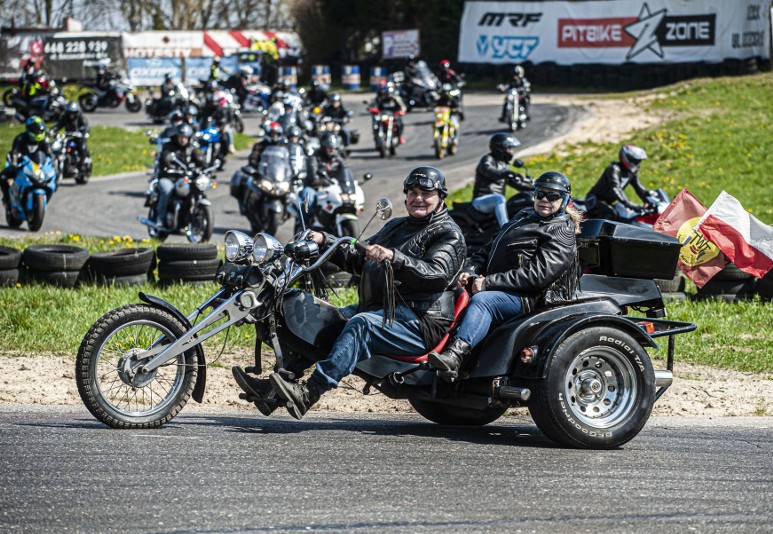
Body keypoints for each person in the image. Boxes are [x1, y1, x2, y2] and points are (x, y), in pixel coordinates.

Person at [231, 165, 467, 418]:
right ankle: (275, 388)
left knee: (362, 325)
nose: (418, 198)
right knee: (327, 320)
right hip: (385, 309)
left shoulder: (448, 233)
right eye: (412, 192)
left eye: (426, 193)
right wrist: (324, 241)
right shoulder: (397, 227)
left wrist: (395, 258)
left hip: (421, 321)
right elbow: (358, 257)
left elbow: (435, 275)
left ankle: (309, 393)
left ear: (441, 196)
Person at [429, 171, 582, 379]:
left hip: (530, 297)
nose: (545, 200)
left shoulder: (561, 231)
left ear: (565, 200)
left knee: (484, 301)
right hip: (502, 288)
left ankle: (456, 356)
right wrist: (469, 270)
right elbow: (489, 247)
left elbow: (538, 276)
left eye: (553, 196)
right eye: (540, 194)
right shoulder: (524, 216)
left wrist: (488, 283)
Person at [470, 133, 534, 227]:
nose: (511, 152)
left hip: (495, 201)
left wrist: (536, 188)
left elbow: (517, 184)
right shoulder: (487, 159)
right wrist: (506, 174)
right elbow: (489, 171)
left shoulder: (504, 165)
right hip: (481, 200)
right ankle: (505, 228)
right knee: (499, 198)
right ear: (500, 148)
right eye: (509, 148)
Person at [154, 123, 206, 229]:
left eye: (185, 137)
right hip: (168, 177)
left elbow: (199, 161)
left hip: (183, 178)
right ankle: (160, 218)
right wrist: (169, 166)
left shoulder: (191, 148)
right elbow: (165, 159)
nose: (183, 140)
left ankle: (187, 217)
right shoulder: (168, 146)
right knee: (167, 190)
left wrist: (204, 166)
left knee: (193, 189)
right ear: (177, 136)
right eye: (181, 137)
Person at [584, 144, 652, 220]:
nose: (636, 163)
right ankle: (593, 231)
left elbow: (639, 188)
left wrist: (649, 201)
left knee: (623, 215)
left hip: (607, 203)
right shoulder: (614, 169)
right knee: (611, 213)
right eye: (634, 160)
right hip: (594, 201)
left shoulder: (631, 172)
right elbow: (616, 189)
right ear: (626, 157)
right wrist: (629, 205)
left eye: (638, 161)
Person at [1, 116, 51, 212]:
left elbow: (50, 154)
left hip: (38, 169)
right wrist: (14, 161)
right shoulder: (20, 138)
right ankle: (7, 200)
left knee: (52, 179)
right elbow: (14, 152)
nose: (38, 133)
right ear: (30, 129)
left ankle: (42, 202)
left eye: (40, 130)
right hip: (22, 166)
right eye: (36, 130)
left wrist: (53, 162)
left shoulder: (44, 140)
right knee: (2, 177)